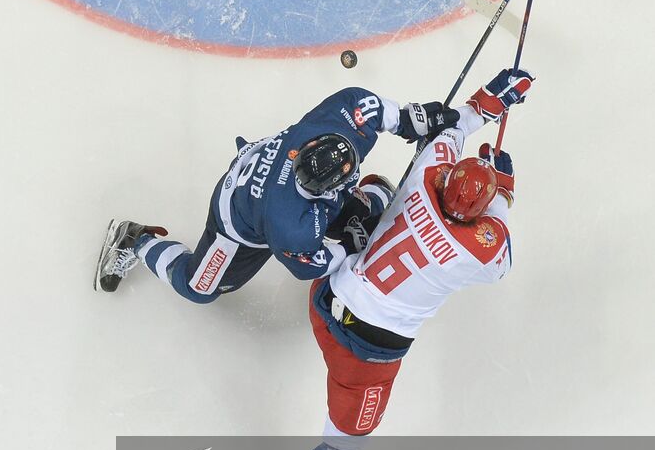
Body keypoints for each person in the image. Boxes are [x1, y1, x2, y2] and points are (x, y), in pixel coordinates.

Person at [260, 66, 533, 450]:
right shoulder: (475, 251)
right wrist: (505, 188)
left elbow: (450, 129)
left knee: (382, 188)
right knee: (344, 443)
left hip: (324, 298)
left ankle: (313, 234)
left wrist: (493, 98)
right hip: (362, 356)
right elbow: (504, 252)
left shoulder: (429, 175)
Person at [94, 88, 460, 301]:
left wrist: (417, 119)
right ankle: (136, 239)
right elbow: (311, 265)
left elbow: (377, 108)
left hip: (277, 191)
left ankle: (371, 195)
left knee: (368, 217)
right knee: (199, 287)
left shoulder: (339, 122)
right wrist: (348, 245)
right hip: (239, 223)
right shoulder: (291, 227)